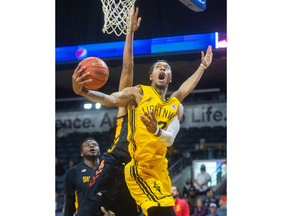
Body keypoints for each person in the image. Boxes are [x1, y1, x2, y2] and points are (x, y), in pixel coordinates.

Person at [72, 10, 213, 215]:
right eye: (158, 67)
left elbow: (183, 91)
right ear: (150, 76)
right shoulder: (135, 96)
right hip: (122, 160)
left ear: (171, 76)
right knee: (87, 208)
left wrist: (202, 67)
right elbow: (120, 82)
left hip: (148, 166)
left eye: (166, 67)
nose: (163, 69)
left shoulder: (172, 106)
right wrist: (84, 91)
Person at [74, 7, 141, 216]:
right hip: (113, 161)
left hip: (135, 169)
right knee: (86, 209)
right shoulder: (128, 104)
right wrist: (130, 33)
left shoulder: (155, 115)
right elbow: (128, 68)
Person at [63, 137, 102, 216]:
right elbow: (69, 203)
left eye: (95, 145)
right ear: (81, 153)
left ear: (99, 151)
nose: (92, 146)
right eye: (87, 145)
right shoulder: (72, 173)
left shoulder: (109, 170)